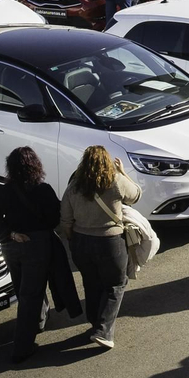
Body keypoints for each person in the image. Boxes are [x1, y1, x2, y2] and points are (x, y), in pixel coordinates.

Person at [0, 146, 77, 363]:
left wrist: (11, 234)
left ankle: (37, 322)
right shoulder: (43, 190)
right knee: (31, 294)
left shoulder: (2, 193)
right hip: (37, 247)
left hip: (11, 248)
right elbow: (56, 217)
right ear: (35, 166)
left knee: (22, 288)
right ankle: (22, 347)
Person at [59, 145, 142, 349]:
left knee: (91, 283)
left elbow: (66, 219)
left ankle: (95, 323)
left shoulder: (74, 185)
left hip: (81, 241)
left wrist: (72, 239)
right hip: (110, 242)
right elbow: (136, 195)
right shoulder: (115, 181)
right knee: (116, 284)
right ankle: (103, 331)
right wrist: (123, 172)